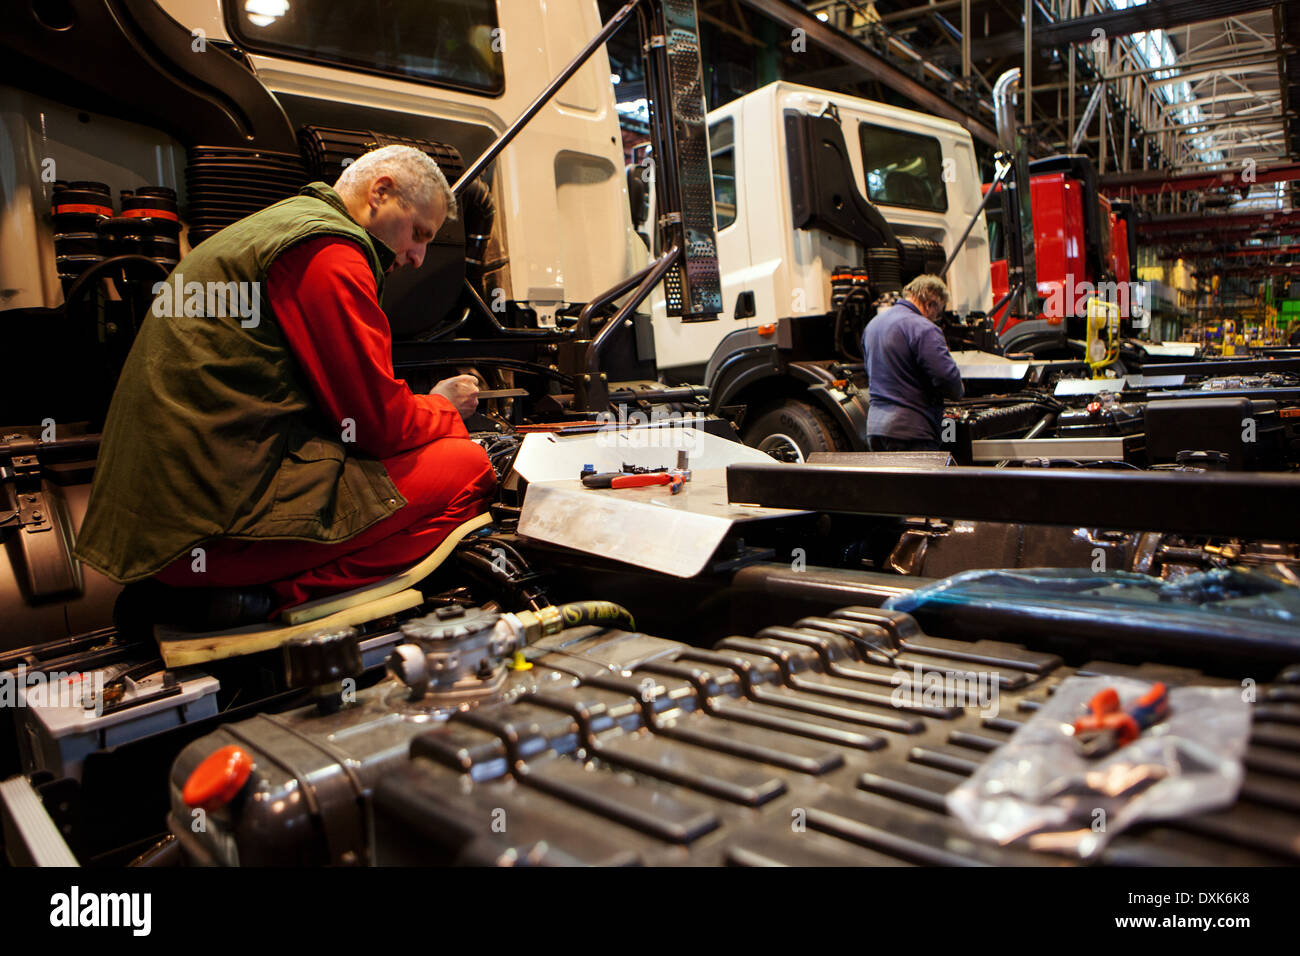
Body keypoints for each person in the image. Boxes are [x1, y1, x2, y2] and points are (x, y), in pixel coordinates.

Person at [74, 145, 497, 630]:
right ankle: (261, 599)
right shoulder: (329, 251)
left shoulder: (276, 227)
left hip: (164, 524)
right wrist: (443, 407)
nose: (420, 257)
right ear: (381, 192)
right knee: (468, 466)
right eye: (419, 234)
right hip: (210, 534)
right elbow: (375, 426)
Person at [862, 274, 964, 452]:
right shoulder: (923, 328)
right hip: (912, 432)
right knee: (921, 481)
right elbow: (945, 376)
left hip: (876, 428)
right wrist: (959, 391)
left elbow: (870, 371)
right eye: (937, 312)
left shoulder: (873, 325)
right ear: (931, 304)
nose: (935, 317)